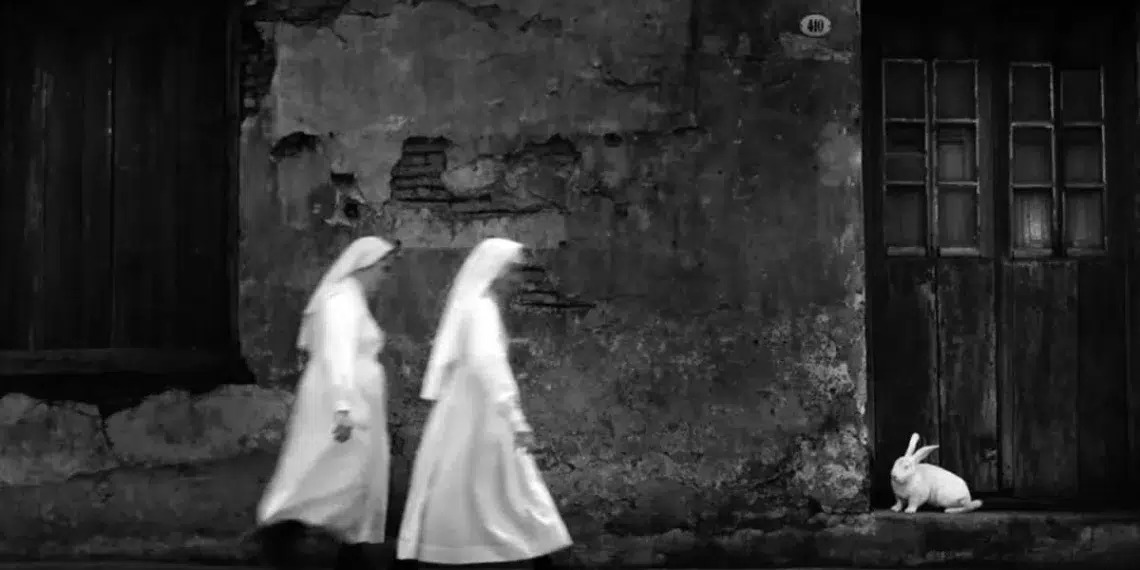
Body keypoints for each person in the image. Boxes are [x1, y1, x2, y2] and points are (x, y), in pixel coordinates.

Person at [396, 237, 573, 570]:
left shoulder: (480, 306)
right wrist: (515, 417)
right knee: (510, 485)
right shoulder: (482, 310)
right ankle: (541, 556)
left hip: (471, 412)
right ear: (495, 271)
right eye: (513, 271)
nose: (518, 280)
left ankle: (536, 556)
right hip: (481, 413)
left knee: (476, 483)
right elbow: (488, 363)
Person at [255, 236, 400, 570]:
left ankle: (348, 548)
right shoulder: (340, 301)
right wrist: (344, 408)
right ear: (364, 266)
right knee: (326, 471)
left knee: (352, 475)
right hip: (340, 402)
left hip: (353, 402)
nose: (385, 278)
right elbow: (338, 356)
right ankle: (281, 531)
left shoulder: (353, 300)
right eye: (384, 269)